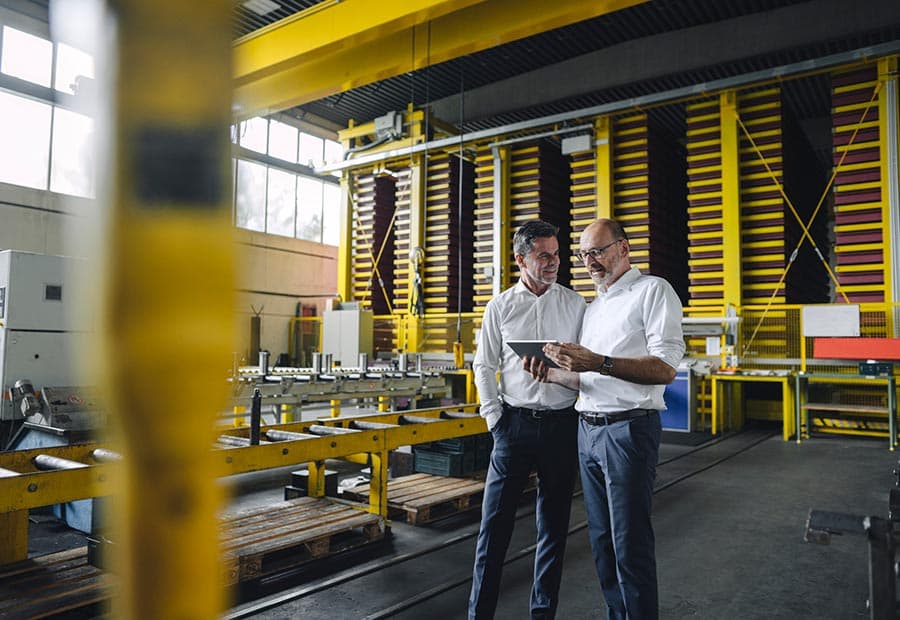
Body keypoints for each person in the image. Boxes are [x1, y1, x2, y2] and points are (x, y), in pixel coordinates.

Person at [531, 218, 684, 620]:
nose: (590, 262)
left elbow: (665, 368)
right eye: (584, 255)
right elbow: (589, 378)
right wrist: (550, 372)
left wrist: (598, 361)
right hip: (588, 430)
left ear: (624, 248)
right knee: (601, 541)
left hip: (628, 430)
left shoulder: (653, 291)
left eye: (598, 251)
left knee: (629, 542)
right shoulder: (594, 307)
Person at [468, 220, 586, 620]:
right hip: (514, 426)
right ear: (520, 259)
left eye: (557, 254)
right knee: (494, 529)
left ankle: (542, 614)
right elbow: (483, 366)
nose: (553, 263)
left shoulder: (576, 305)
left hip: (562, 426)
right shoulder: (500, 307)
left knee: (553, 528)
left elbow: (587, 363)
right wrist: (496, 421)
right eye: (543, 256)